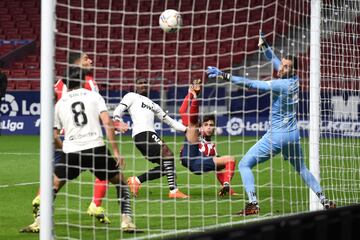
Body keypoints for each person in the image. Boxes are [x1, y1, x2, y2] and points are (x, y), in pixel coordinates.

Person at [206, 32, 336, 215]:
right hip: (293, 134)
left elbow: (250, 84)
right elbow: (274, 60)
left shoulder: (280, 84)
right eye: (282, 65)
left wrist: (224, 75)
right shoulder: (293, 80)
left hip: (277, 135)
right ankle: (324, 200)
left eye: (286, 67)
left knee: (244, 164)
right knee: (302, 168)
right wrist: (265, 46)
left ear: (292, 70)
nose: (281, 68)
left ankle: (253, 204)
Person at [20, 67, 139, 233]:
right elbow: (107, 123)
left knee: (52, 186)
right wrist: (116, 151)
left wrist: (64, 150)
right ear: (83, 81)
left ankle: (40, 221)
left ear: (66, 85)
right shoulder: (94, 96)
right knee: (121, 183)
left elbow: (53, 135)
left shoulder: (60, 104)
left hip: (72, 152)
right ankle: (126, 221)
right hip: (96, 149)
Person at [113, 77, 189, 199]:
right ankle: (174, 191)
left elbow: (169, 121)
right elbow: (119, 108)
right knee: (168, 154)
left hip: (149, 135)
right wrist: (116, 120)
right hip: (142, 134)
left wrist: (186, 129)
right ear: (136, 86)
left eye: (145, 83)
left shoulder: (154, 105)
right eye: (140, 83)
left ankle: (137, 180)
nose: (143, 85)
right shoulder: (131, 96)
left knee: (168, 165)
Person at [179, 79, 237, 196]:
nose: (209, 127)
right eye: (206, 125)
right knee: (192, 125)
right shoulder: (197, 131)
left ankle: (226, 186)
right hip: (189, 157)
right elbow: (182, 111)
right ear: (202, 126)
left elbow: (217, 170)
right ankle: (195, 97)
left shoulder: (212, 148)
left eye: (211, 125)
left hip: (198, 164)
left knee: (230, 159)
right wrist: (191, 95)